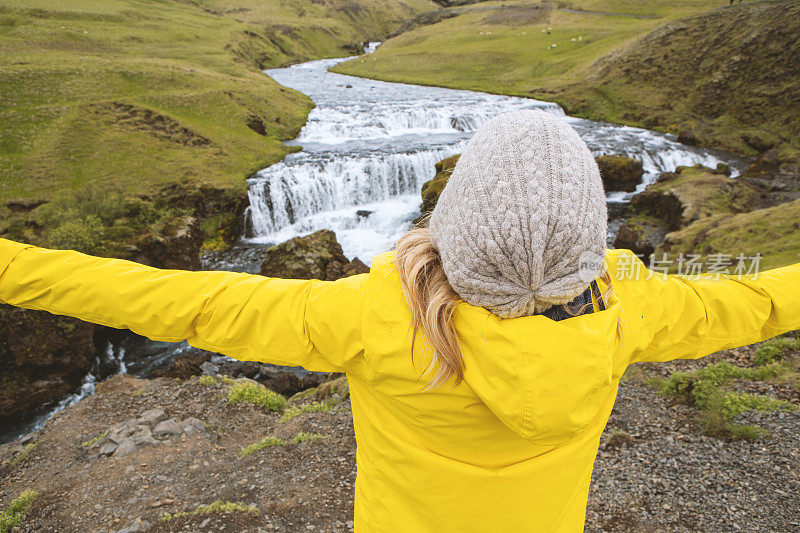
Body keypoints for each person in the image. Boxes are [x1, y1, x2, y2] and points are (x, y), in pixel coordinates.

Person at [1, 110, 798, 532]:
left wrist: (12, 267)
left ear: (458, 218)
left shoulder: (376, 315)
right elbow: (760, 302)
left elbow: (183, 302)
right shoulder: (630, 303)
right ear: (587, 238)